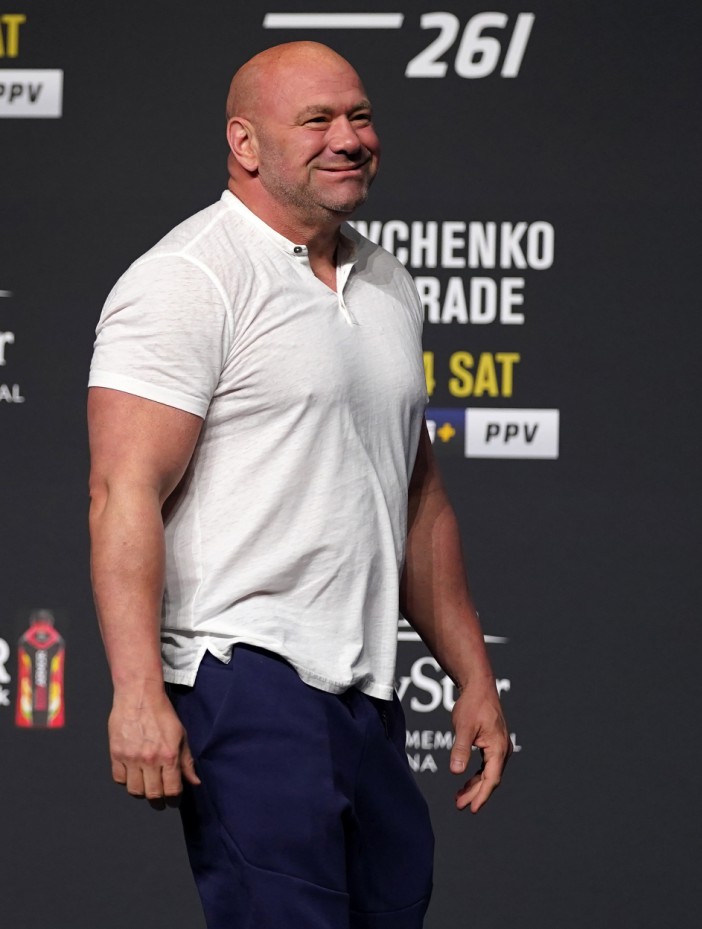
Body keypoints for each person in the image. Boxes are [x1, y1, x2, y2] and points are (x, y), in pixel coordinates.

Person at [88, 41, 511, 929]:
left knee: (392, 904)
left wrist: (472, 672)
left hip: (365, 685)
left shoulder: (389, 283)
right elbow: (123, 489)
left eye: (359, 116)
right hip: (242, 670)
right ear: (245, 144)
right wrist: (137, 691)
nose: (348, 138)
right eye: (316, 120)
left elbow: (415, 491)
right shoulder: (188, 278)